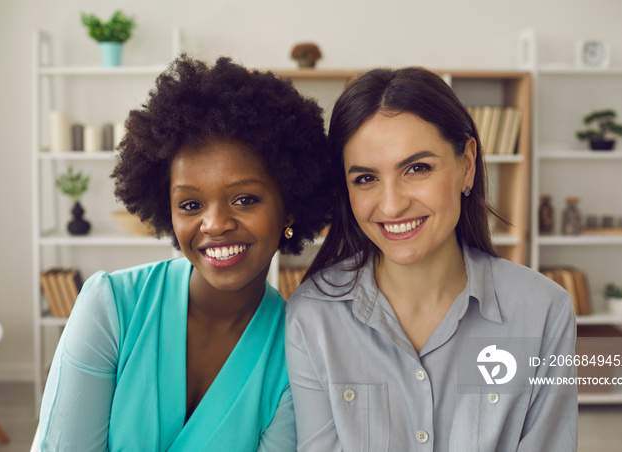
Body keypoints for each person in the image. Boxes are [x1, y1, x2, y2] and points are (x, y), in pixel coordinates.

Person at [33, 54, 332, 451]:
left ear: (290, 204)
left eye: (244, 199)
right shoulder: (111, 308)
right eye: (190, 205)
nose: (215, 224)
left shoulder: (296, 352)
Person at [285, 67, 578, 451]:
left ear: (467, 165)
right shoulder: (312, 316)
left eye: (417, 168)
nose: (392, 205)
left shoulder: (543, 310)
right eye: (365, 179)